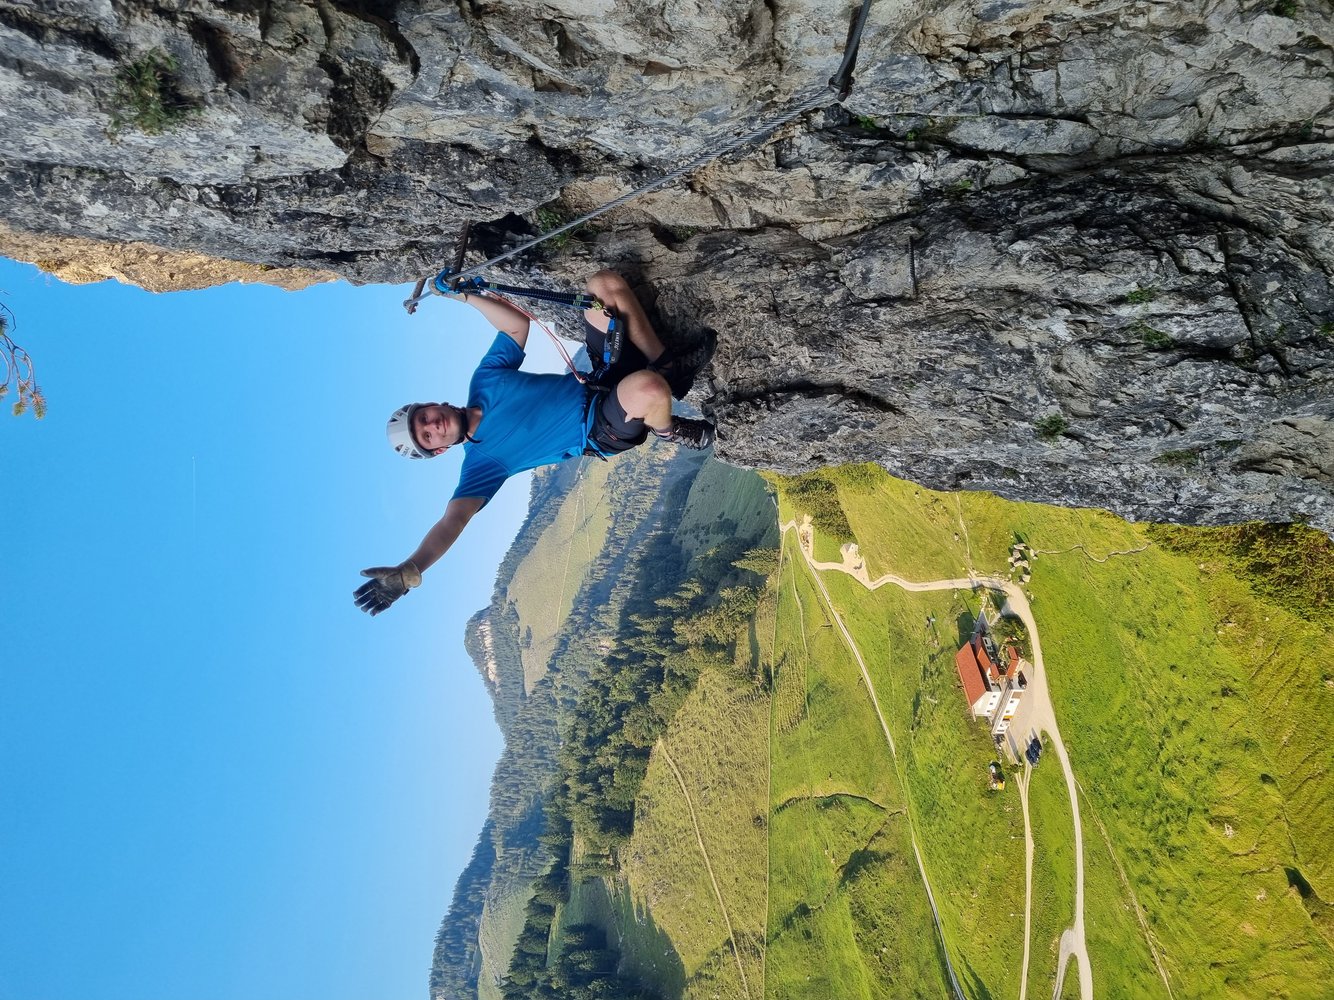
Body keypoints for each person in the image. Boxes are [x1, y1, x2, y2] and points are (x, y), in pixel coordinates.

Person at [353, 270, 716, 616]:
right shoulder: (482, 464)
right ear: (440, 450)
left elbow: (517, 326)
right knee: (647, 389)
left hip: (601, 379)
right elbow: (453, 520)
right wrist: (412, 568)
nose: (432, 425)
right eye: (427, 437)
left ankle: (668, 367)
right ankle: (669, 430)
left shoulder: (485, 381)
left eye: (423, 419)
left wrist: (463, 295)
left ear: (431, 405)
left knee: (603, 286)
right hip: (602, 428)